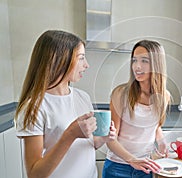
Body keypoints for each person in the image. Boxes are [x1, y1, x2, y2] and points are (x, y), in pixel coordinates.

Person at [14, 30, 116, 178]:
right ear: (60, 60)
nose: (86, 65)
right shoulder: (34, 108)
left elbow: (88, 144)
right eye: (81, 58)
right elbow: (35, 174)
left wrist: (103, 139)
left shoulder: (83, 97)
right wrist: (69, 135)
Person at [102, 40, 171, 178]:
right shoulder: (120, 93)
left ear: (157, 64)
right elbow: (110, 139)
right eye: (134, 60)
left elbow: (155, 126)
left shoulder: (164, 96)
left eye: (144, 61)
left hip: (145, 168)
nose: (137, 67)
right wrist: (132, 160)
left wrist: (162, 141)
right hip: (117, 167)